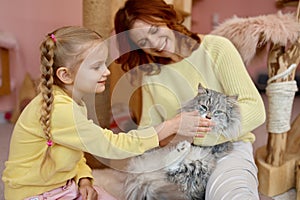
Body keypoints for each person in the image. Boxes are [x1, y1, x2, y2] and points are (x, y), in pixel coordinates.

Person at [1, 26, 205, 200]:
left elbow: (75, 148)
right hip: (34, 195)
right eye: (96, 66)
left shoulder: (72, 103)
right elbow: (110, 145)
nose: (106, 71)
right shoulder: (60, 110)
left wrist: (83, 177)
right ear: (65, 75)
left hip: (61, 186)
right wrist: (167, 126)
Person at [113, 0, 266, 199]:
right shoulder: (151, 75)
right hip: (178, 154)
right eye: (143, 42)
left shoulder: (216, 48)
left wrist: (195, 136)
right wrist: (170, 132)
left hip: (229, 146)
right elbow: (148, 132)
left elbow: (255, 109)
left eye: (154, 29)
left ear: (166, 18)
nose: (155, 44)